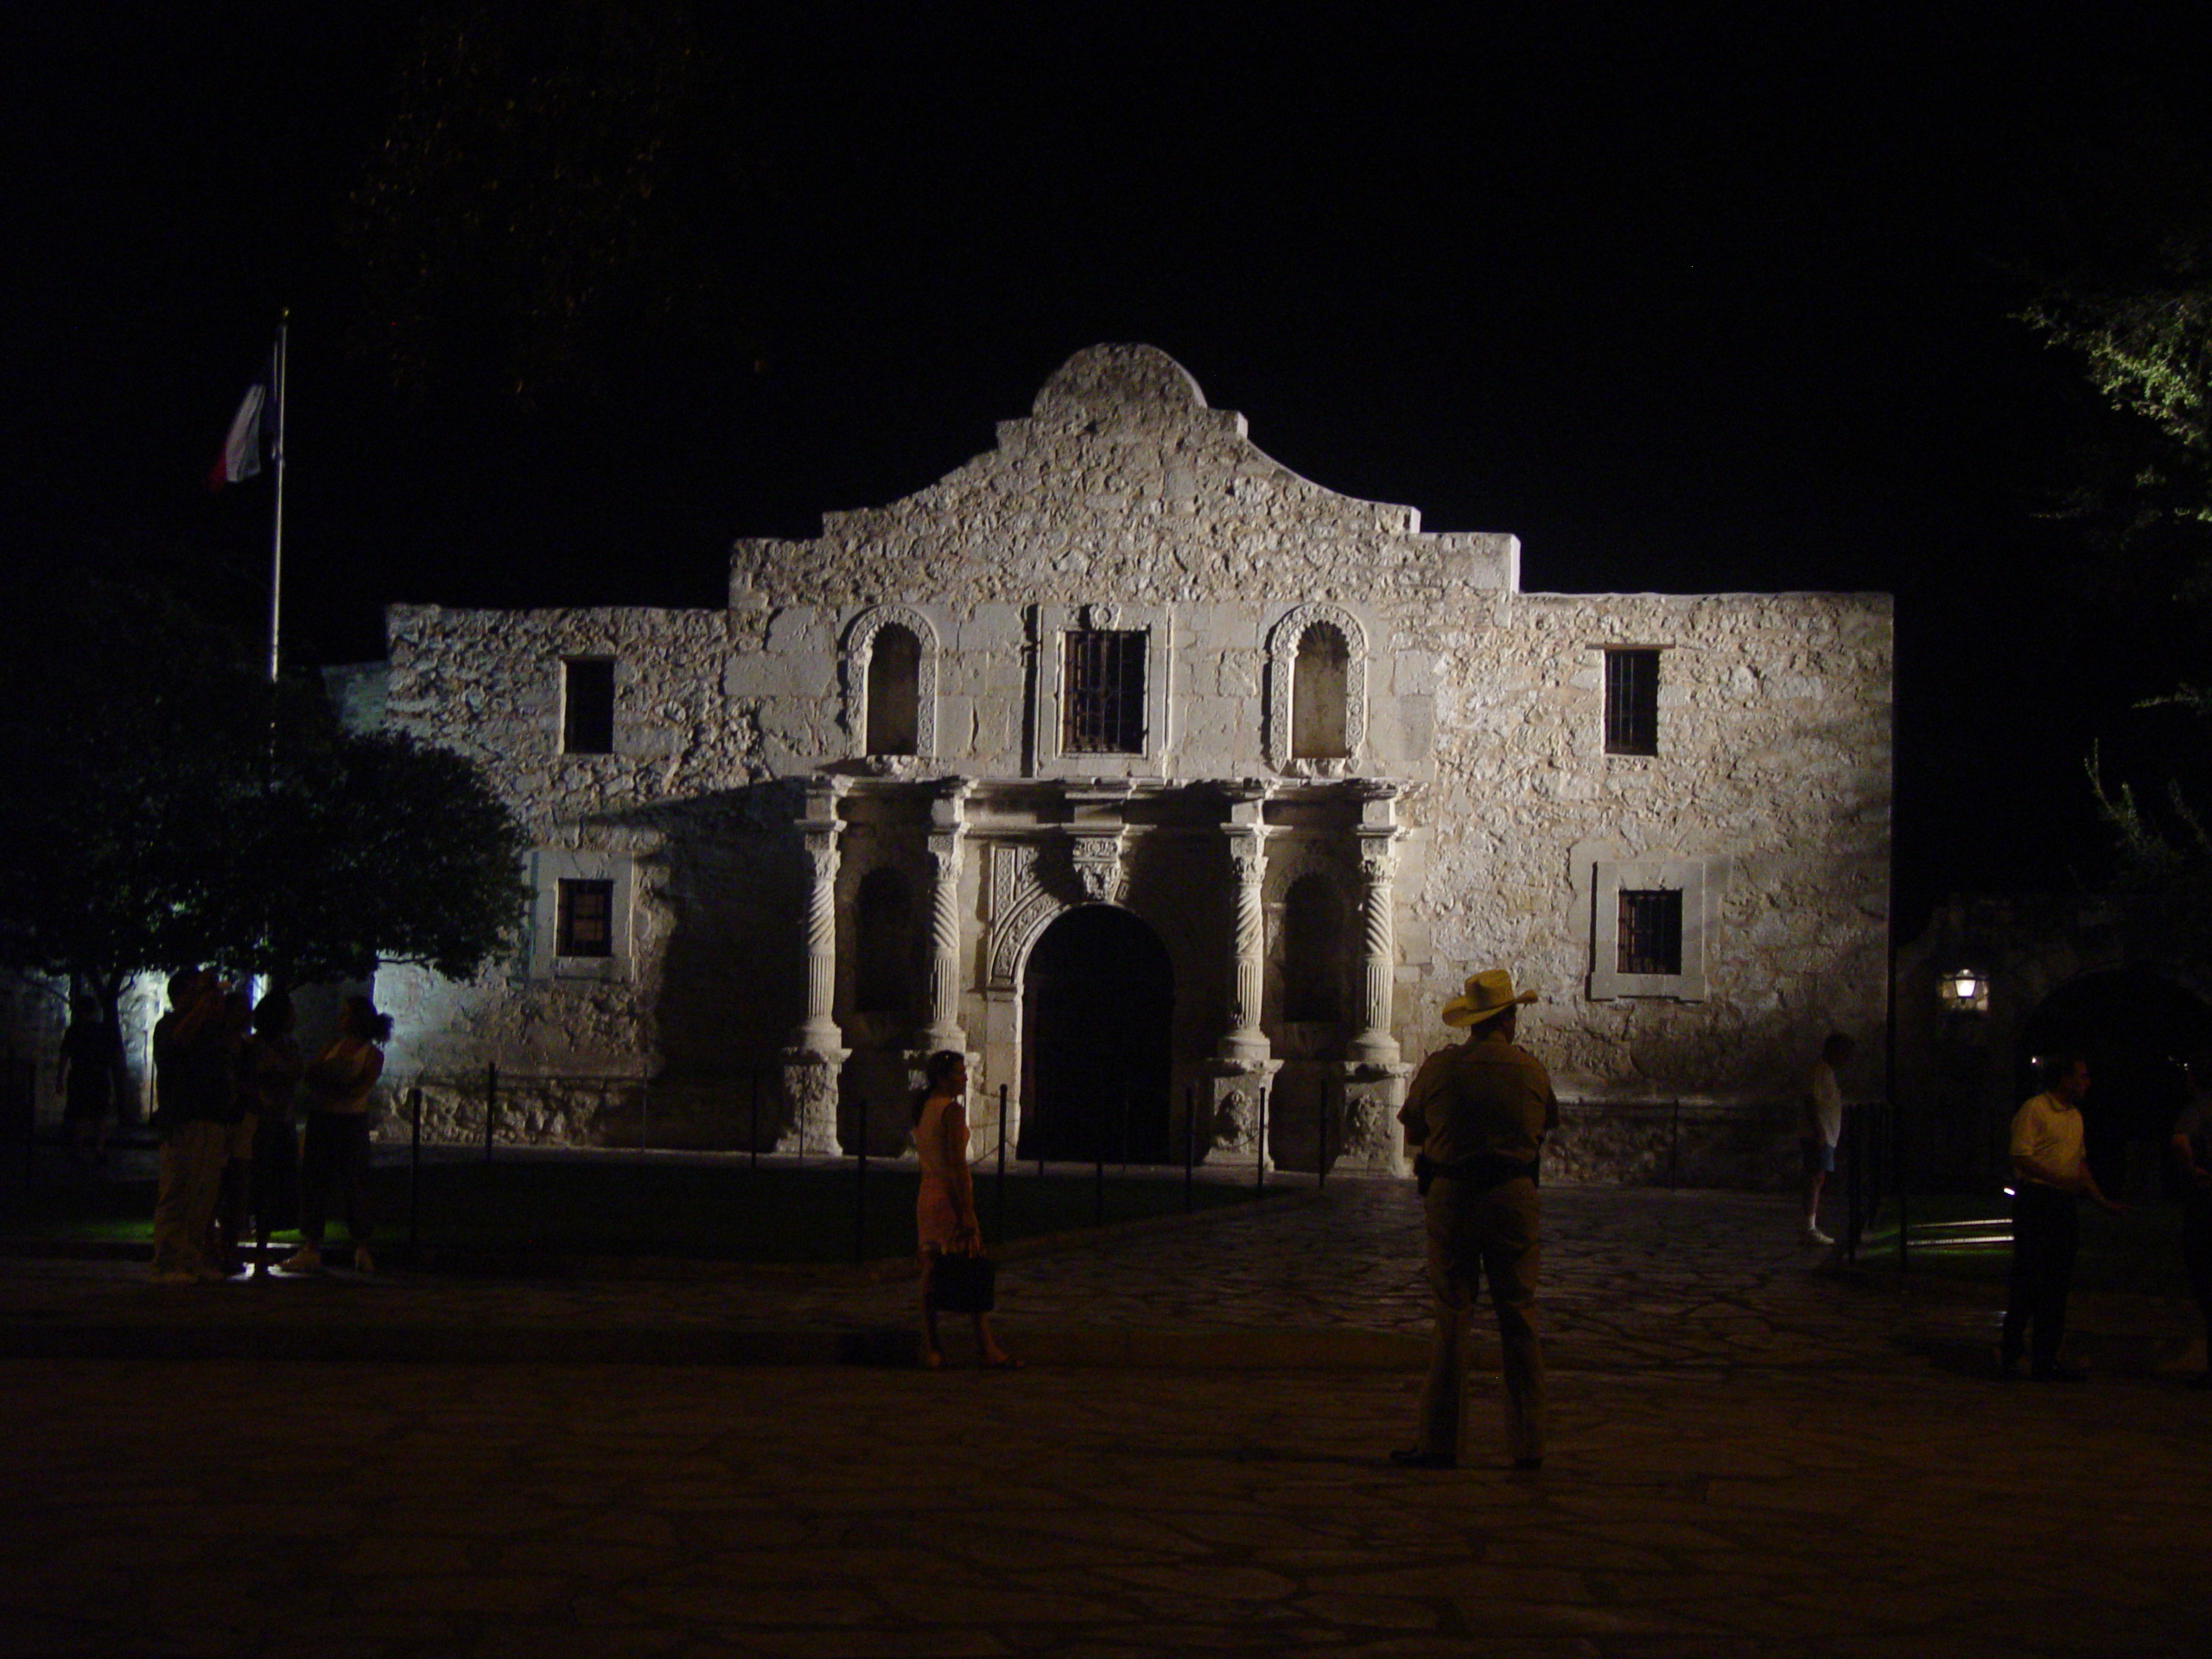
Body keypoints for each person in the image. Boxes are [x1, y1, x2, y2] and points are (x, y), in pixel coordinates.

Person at [1393, 969, 1558, 1471]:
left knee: (1452, 1320)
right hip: (1512, 1194)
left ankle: (1440, 1441)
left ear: (1473, 1021)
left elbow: (1414, 1124)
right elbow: (1546, 1123)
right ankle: (1528, 1444)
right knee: (1519, 1317)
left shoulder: (1443, 1069)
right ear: (1509, 1018)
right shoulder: (1530, 1070)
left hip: (1454, 1195)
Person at [2000, 1050, 2125, 1381]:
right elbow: (2021, 1156)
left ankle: (2046, 1358)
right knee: (2030, 1277)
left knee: (2057, 1281)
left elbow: (2078, 1164)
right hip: (2037, 1200)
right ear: (2065, 1079)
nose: (2087, 1083)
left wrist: (2100, 1199)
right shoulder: (2035, 1109)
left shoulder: (2074, 1116)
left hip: (2062, 1204)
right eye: (2081, 1076)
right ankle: (2011, 1351)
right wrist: (2059, 1180)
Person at [912, 1050, 1015, 1370]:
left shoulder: (923, 1107)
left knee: (930, 1272)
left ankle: (933, 1347)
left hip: (927, 1193)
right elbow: (957, 1164)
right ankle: (986, 1346)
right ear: (943, 1078)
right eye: (958, 1073)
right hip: (948, 1196)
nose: (965, 1077)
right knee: (973, 1268)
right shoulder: (952, 1111)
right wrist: (967, 1211)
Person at [282, 995, 390, 1275]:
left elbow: (359, 1088)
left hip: (350, 1122)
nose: (340, 1019)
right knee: (314, 1181)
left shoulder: (371, 1054)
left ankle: (362, 1245)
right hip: (323, 1119)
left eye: (345, 1014)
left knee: (354, 1183)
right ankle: (311, 1246)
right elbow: (312, 1074)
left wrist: (332, 1085)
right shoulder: (331, 1046)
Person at [149, 970, 235, 1283]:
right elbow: (179, 1041)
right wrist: (204, 1000)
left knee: (203, 1196)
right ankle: (167, 1262)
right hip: (184, 1117)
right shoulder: (169, 1025)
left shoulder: (211, 1030)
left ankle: (190, 1257)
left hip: (212, 1118)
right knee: (178, 1191)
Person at [240, 992, 306, 1279]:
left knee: (274, 1185)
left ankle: (262, 1246)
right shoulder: (252, 1046)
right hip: (259, 1122)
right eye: (289, 1013)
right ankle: (241, 1243)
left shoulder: (290, 1046)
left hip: (281, 1121)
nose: (294, 1018)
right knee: (253, 1182)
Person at [2171, 1051, 2212, 1389]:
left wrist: (2192, 1169)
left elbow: (2181, 1139)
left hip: (2205, 1202)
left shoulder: (2197, 1109)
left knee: (2205, 1278)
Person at [1799, 1032, 1854, 1246]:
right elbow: (1810, 1100)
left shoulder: (1826, 1072)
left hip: (1825, 1135)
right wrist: (1819, 1131)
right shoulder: (1819, 1071)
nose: (1846, 1058)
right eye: (1844, 1053)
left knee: (1818, 1178)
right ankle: (1809, 1227)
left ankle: (1810, 1225)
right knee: (1815, 1177)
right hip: (1818, 1135)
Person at [56, 997, 117, 1166]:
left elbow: (64, 1056)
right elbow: (110, 1057)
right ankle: (99, 1150)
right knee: (99, 1115)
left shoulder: (75, 1031)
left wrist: (60, 1078)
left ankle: (79, 1151)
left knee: (79, 1115)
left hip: (81, 1075)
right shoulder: (102, 1031)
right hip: (98, 1076)